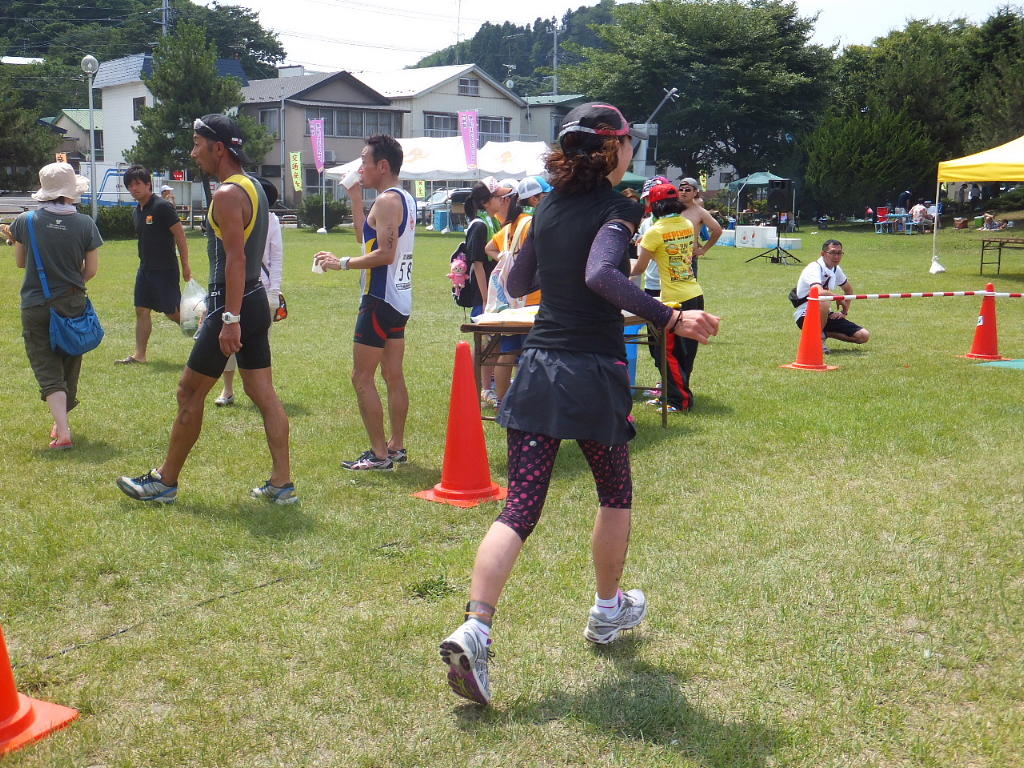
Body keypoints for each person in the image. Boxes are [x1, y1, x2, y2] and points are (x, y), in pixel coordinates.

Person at [437, 103, 720, 706]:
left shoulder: (546, 207)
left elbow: (518, 282)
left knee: (520, 507)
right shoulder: (619, 208)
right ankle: (607, 609)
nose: (633, 148)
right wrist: (671, 316)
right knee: (614, 493)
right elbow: (601, 276)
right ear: (613, 147)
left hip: (539, 367)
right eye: (629, 140)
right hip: (590, 371)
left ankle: (476, 627)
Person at [116, 114, 296, 505]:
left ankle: (164, 481)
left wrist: (228, 319)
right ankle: (282, 484)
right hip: (253, 299)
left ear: (219, 148)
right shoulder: (254, 186)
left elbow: (235, 259)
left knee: (189, 391)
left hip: (234, 303)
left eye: (198, 144)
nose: (193, 152)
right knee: (263, 393)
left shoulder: (228, 193)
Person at [313, 134, 416, 471]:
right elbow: (365, 237)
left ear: (382, 166)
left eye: (364, 161)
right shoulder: (402, 197)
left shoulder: (387, 201)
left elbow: (384, 254)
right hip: (399, 300)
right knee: (393, 375)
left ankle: (379, 454)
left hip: (378, 299)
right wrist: (356, 198)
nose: (360, 167)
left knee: (361, 377)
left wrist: (340, 263)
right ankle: (395, 446)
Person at [9, 162, 102, 449]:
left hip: (36, 303)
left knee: (47, 366)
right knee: (70, 361)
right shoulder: (85, 224)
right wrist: (72, 283)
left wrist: (14, 241)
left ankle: (62, 430)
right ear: (71, 190)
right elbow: (91, 270)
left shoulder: (25, 221)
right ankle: (62, 424)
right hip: (73, 301)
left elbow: (21, 262)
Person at [631, 182, 704, 412]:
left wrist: (613, 270)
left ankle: (679, 401)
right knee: (685, 353)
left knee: (667, 352)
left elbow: (639, 268)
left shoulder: (655, 231)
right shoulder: (686, 223)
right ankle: (671, 394)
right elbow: (672, 255)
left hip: (674, 300)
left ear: (653, 205)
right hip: (694, 293)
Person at [215, 177, 284, 406]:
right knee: (227, 339)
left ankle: (262, 390)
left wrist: (274, 291)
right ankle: (227, 389)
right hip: (231, 287)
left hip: (261, 288)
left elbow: (276, 258)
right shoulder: (234, 218)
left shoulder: (271, 221)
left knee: (260, 344)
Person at [482, 175, 550, 403]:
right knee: (532, 354)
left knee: (508, 352)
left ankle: (502, 402)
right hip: (534, 297)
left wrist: (505, 259)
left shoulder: (511, 226)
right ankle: (528, 403)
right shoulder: (530, 222)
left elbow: (489, 247)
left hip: (512, 299)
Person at [115, 165, 192, 365]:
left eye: (138, 184)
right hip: (145, 269)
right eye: (130, 185)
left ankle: (205, 337)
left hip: (165, 269)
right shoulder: (137, 211)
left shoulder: (162, 207)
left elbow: (180, 236)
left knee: (173, 312)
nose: (134, 188)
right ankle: (139, 355)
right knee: (141, 309)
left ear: (148, 184)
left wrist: (185, 265)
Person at [793, 239, 869, 353]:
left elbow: (848, 289)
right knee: (823, 302)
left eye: (839, 253)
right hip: (805, 315)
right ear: (823, 254)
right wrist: (837, 297)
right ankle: (816, 341)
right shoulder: (814, 268)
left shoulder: (836, 269)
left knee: (863, 336)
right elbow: (818, 292)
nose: (836, 256)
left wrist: (844, 312)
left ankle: (823, 334)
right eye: (833, 252)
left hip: (826, 314)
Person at [677, 176, 722, 280]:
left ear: (695, 192)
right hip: (669, 256)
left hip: (689, 258)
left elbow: (717, 230)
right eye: (681, 189)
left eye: (688, 190)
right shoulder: (671, 209)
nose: (683, 192)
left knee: (689, 289)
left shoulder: (700, 212)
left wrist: (704, 249)